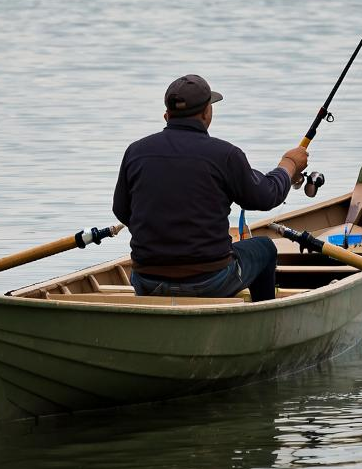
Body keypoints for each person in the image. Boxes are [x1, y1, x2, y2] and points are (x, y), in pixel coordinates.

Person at [112, 74, 309, 302]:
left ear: (167, 115)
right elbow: (266, 196)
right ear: (207, 114)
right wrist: (289, 164)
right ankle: (262, 320)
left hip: (146, 280)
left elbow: (122, 211)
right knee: (265, 248)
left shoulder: (135, 152)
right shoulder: (225, 155)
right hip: (210, 280)